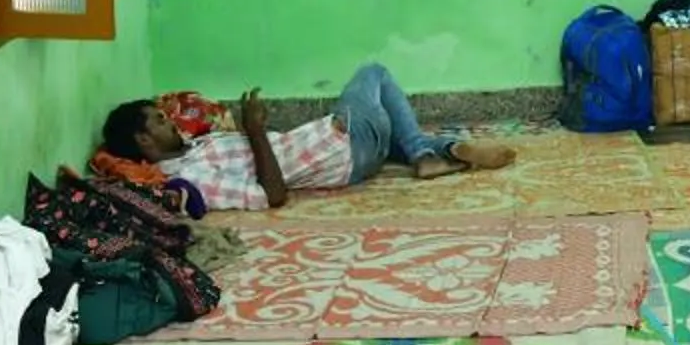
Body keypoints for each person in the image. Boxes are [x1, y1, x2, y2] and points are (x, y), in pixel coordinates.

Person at [99, 64, 515, 212]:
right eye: (159, 121)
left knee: (397, 136)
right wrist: (255, 130)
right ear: (144, 141)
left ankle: (443, 148)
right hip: (341, 147)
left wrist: (249, 131)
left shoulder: (194, 147)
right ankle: (424, 154)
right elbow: (271, 196)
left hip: (348, 153)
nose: (171, 121)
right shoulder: (190, 179)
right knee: (374, 72)